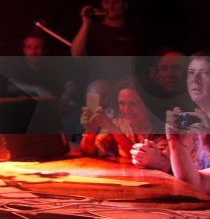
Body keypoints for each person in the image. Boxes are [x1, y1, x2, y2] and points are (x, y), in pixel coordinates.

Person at [137, 52, 210, 188]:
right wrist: (175, 144)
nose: (195, 79)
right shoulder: (195, 121)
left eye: (205, 73)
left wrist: (208, 146)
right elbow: (195, 183)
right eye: (191, 73)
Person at [79, 79, 163, 162]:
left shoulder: (161, 131)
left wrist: (113, 129)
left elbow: (150, 160)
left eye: (133, 104)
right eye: (122, 104)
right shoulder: (117, 123)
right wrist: (90, 130)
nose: (126, 109)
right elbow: (91, 152)